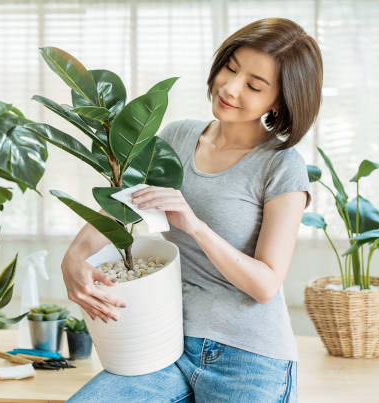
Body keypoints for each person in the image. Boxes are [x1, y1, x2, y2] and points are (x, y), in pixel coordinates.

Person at [62, 17, 322, 403]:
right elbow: (120, 208)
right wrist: (73, 258)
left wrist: (195, 226)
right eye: (230, 68)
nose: (230, 88)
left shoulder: (282, 165)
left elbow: (266, 284)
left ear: (281, 100)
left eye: (253, 85)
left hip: (249, 358)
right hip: (165, 345)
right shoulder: (177, 136)